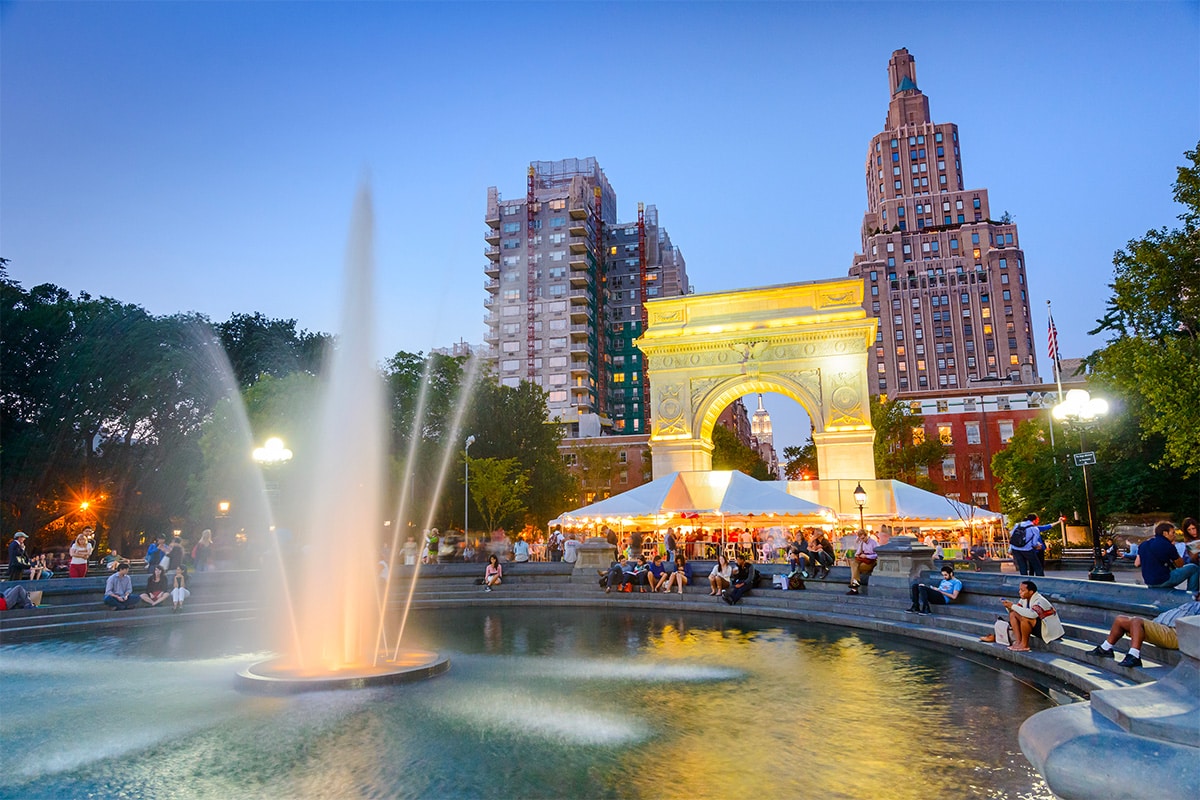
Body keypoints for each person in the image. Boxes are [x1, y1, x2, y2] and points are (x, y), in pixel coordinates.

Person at [1088, 599, 1200, 668]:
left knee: (1136, 621)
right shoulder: (1192, 603)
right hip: (1163, 627)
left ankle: (1134, 656)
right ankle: (1105, 649)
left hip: (1175, 634)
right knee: (1120, 620)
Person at [1136, 520, 1200, 594]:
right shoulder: (1168, 545)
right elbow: (1180, 565)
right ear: (1165, 533)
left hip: (1149, 582)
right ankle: (1192, 594)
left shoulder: (1144, 544)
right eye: (1173, 533)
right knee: (1193, 568)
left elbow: (1137, 563)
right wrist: (1173, 547)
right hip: (1163, 580)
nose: (1174, 535)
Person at [846, 530, 877, 595]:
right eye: (861, 538)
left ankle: (854, 588)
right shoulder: (862, 543)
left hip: (870, 562)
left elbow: (877, 554)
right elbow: (857, 553)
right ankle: (855, 585)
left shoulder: (873, 543)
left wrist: (867, 556)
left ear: (866, 535)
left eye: (863, 538)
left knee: (855, 568)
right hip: (862, 560)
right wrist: (858, 555)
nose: (862, 540)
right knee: (853, 563)